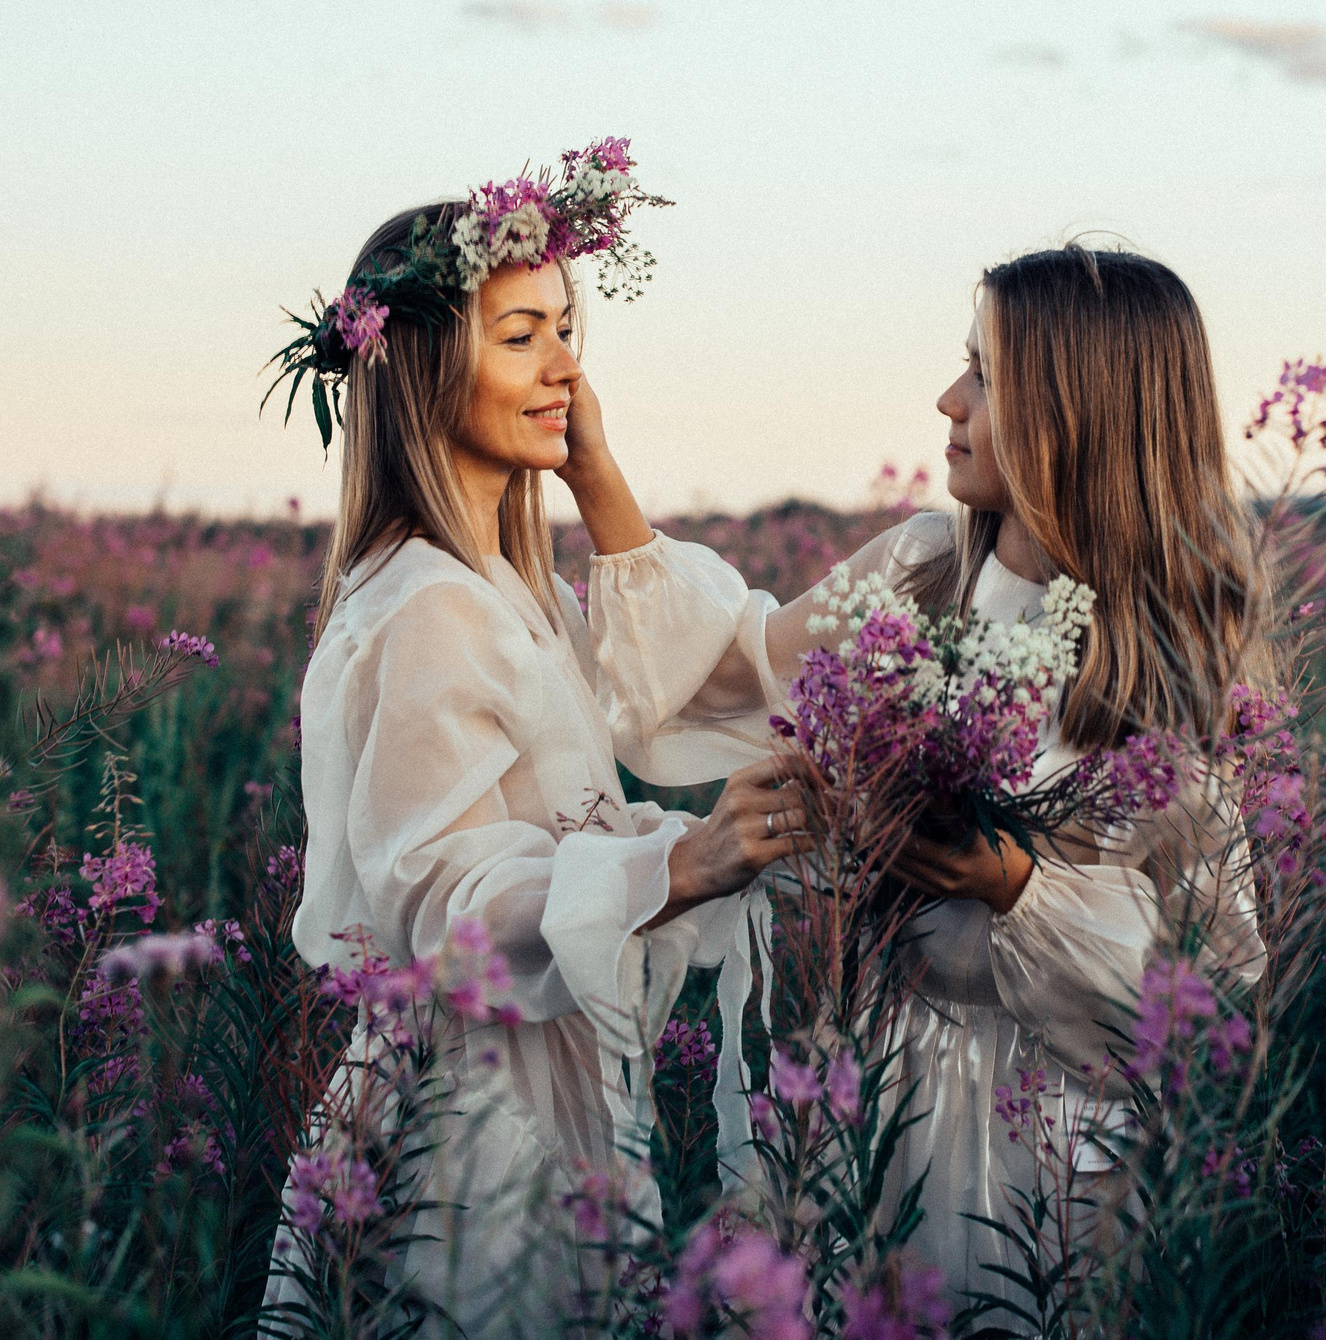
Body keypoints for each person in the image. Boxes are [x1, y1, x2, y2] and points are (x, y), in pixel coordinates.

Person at [584, 242, 1272, 1308]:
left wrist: (1012, 884)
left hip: (1040, 1171)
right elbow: (738, 675)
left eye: (986, 373)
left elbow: (1210, 993)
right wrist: (593, 475)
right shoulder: (916, 572)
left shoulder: (1162, 669)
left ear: (1075, 412)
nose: (948, 397)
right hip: (860, 1107)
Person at [268, 161, 810, 1333]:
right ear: (422, 366)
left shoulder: (508, 585)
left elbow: (672, 693)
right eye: (523, 335)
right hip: (469, 1118)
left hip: (532, 1081)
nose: (568, 365)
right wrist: (683, 864)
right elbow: (436, 899)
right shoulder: (426, 601)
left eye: (569, 328)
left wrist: (592, 471)